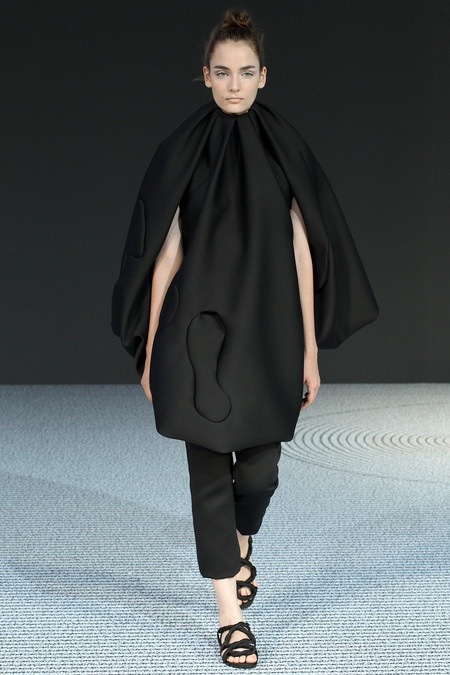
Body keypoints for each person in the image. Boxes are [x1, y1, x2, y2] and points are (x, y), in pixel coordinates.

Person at [112, 9, 378, 669]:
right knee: (207, 474)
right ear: (205, 76)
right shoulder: (183, 149)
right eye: (223, 72)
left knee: (259, 473)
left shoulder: (284, 148)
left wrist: (310, 348)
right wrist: (151, 345)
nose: (234, 84)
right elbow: (166, 249)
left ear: (264, 76)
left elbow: (303, 249)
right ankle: (230, 618)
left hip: (268, 333)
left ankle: (241, 541)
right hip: (195, 333)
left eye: (246, 72)